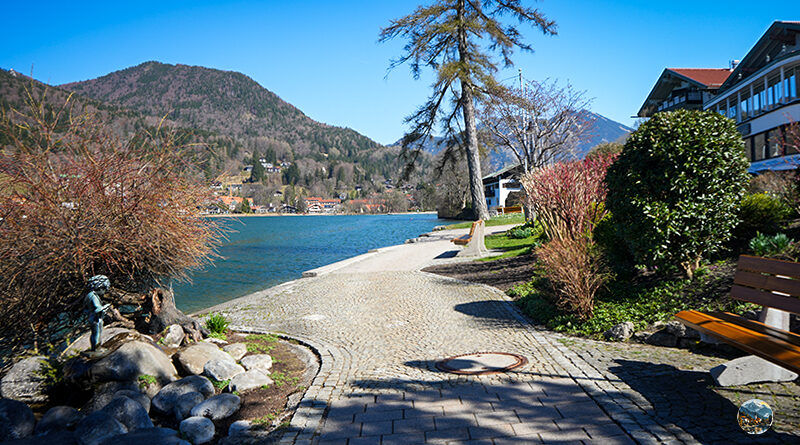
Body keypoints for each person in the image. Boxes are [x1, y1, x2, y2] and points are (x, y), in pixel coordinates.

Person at [85, 275, 111, 350]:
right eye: (104, 289)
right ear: (100, 287)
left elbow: (85, 309)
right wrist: (106, 306)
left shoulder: (88, 295)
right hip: (96, 318)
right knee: (97, 333)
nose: (104, 292)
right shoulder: (94, 296)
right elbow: (97, 308)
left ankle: (94, 347)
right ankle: (97, 348)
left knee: (94, 333)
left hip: (91, 317)